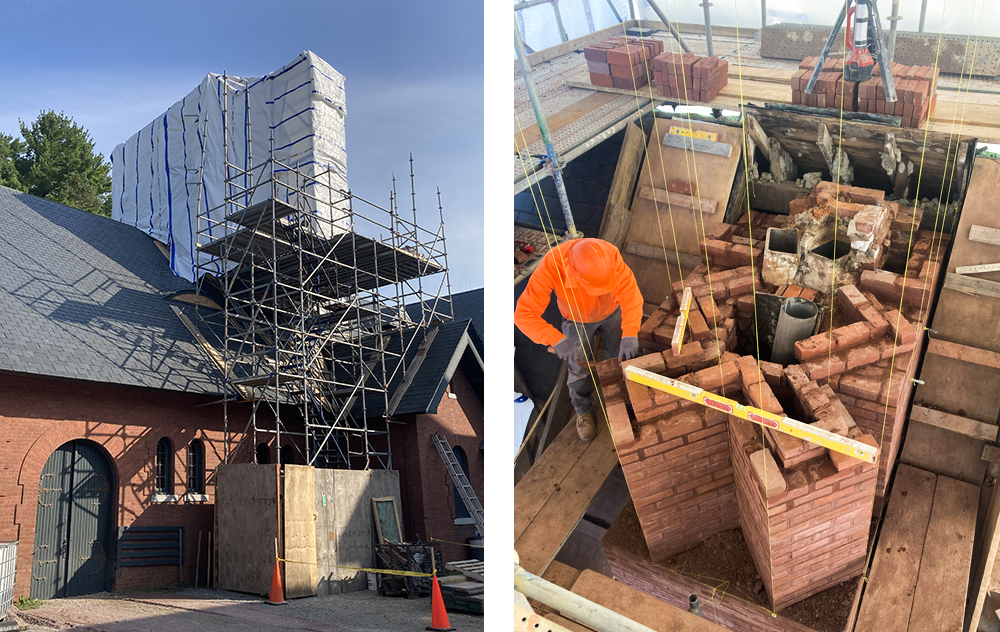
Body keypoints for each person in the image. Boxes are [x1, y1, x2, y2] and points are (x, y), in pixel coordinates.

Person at [515, 238, 644, 442]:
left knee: (619, 358)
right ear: (574, 272)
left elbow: (631, 295)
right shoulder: (552, 264)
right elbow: (524, 314)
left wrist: (630, 331)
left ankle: (620, 399)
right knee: (579, 369)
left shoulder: (609, 256)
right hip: (576, 320)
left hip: (612, 312)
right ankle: (583, 409)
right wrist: (556, 339)